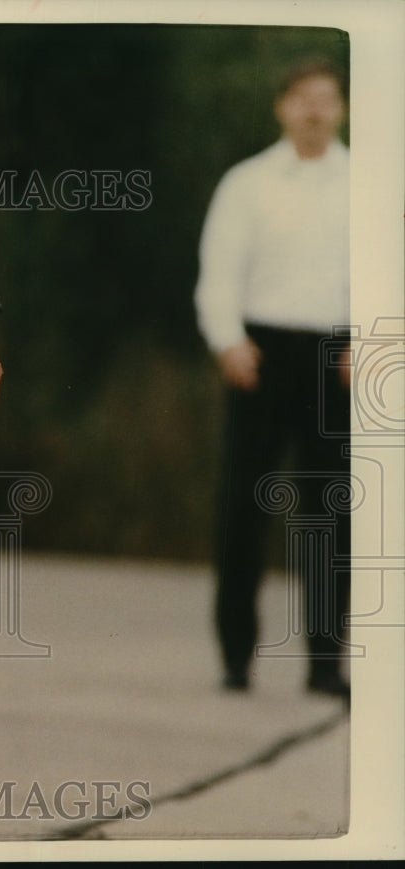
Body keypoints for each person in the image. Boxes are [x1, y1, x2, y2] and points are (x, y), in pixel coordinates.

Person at [194, 58, 351, 697]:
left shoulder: (370, 182)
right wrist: (228, 341)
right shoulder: (247, 183)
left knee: (330, 517)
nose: (314, 110)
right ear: (282, 106)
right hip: (260, 358)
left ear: (340, 107)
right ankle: (236, 658)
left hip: (338, 362)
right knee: (242, 510)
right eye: (303, 98)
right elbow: (219, 271)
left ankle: (324, 664)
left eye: (326, 99)